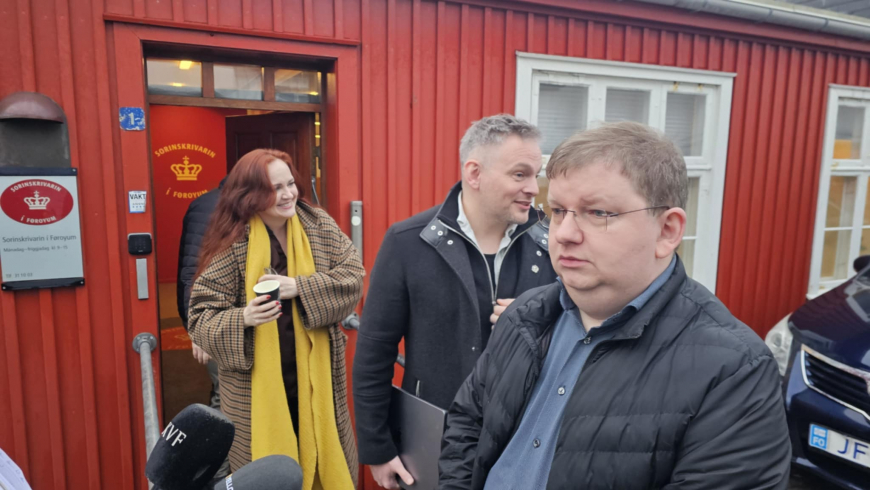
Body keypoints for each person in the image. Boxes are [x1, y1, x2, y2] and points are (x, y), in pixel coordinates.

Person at [439, 122, 791, 490]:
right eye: (557, 210)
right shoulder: (524, 316)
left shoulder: (735, 371)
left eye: (598, 213)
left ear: (668, 231)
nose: (564, 234)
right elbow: (466, 424)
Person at [353, 114, 557, 489]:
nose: (533, 188)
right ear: (474, 173)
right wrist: (378, 448)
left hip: (528, 446)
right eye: (520, 174)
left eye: (536, 175)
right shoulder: (408, 242)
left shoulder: (553, 247)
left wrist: (534, 323)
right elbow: (374, 354)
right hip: (433, 446)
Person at [188, 148, 364, 489]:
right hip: (256, 388)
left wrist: (299, 287)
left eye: (290, 184)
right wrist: (244, 317)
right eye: (275, 189)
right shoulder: (233, 240)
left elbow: (353, 277)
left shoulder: (318, 225)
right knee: (264, 472)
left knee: (325, 457)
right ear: (250, 195)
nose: (288, 195)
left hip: (316, 378)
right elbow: (201, 317)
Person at [177, 178, 224, 408]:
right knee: (225, 392)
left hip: (236, 316)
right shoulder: (212, 207)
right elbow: (192, 271)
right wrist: (198, 327)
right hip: (216, 315)